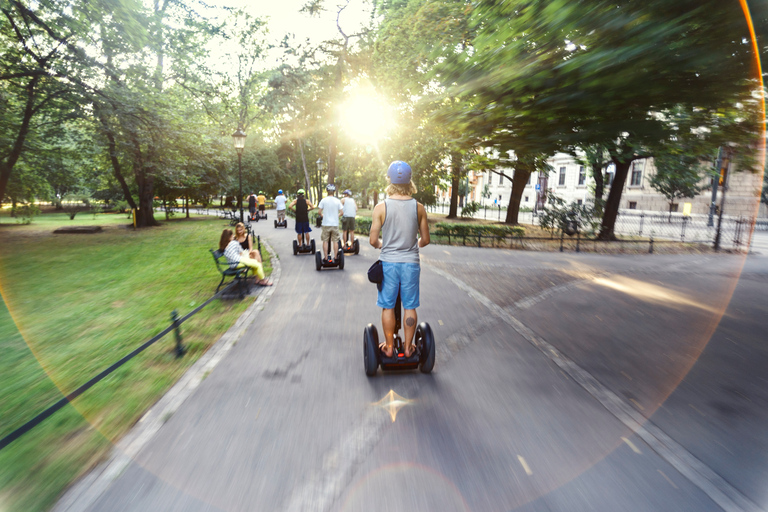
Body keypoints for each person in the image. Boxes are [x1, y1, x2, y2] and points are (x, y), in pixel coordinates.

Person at [369, 161, 430, 358]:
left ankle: (388, 347)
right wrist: (414, 246)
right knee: (409, 305)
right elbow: (425, 240)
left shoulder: (381, 207)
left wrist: (382, 245)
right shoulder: (418, 207)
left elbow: (372, 240)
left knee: (388, 305)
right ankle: (408, 347)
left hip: (389, 263)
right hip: (411, 263)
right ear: (409, 181)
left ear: (389, 180)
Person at [317, 183, 343, 262]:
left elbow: (319, 212)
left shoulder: (324, 200)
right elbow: (342, 212)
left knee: (325, 241)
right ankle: (335, 257)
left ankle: (325, 258)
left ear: (327, 191)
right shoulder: (337, 201)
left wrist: (322, 215)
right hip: (335, 224)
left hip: (326, 224)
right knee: (335, 241)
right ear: (334, 191)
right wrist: (336, 216)